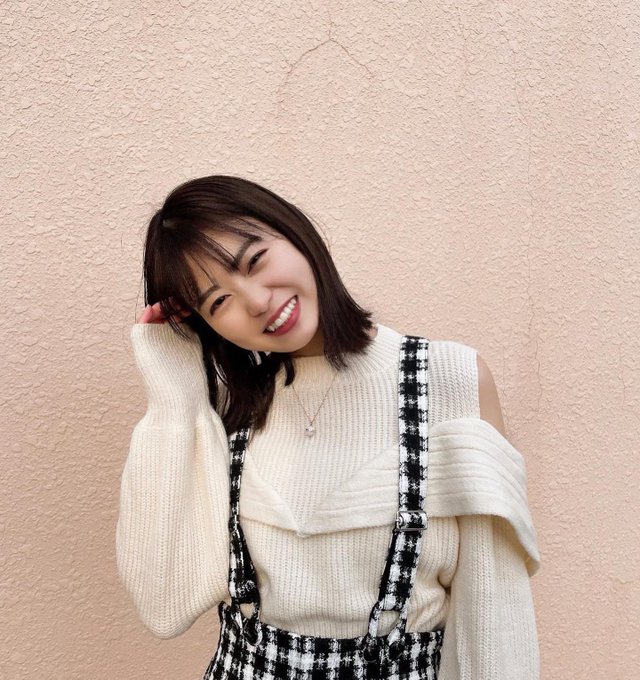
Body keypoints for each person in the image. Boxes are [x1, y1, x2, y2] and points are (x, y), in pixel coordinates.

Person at [116, 175, 540, 679]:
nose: (256, 301)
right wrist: (173, 399)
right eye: (218, 302)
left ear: (296, 232)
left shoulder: (449, 380)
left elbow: (494, 610)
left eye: (254, 260)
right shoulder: (226, 412)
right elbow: (165, 605)